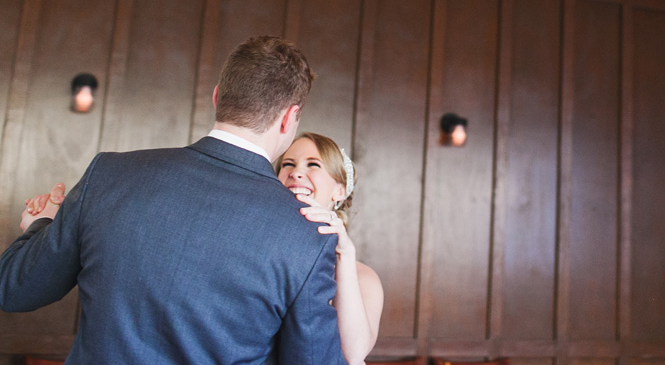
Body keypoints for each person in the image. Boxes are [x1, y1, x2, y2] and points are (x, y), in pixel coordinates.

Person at [0, 36, 346, 365]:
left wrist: (41, 225)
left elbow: (14, 289)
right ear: (289, 117)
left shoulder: (109, 173)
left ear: (216, 97)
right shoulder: (306, 234)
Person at [277, 133, 384, 365]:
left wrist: (345, 253)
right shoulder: (267, 258)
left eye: (313, 165)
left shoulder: (363, 277)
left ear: (339, 191)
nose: (295, 172)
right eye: (288, 164)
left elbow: (354, 354)